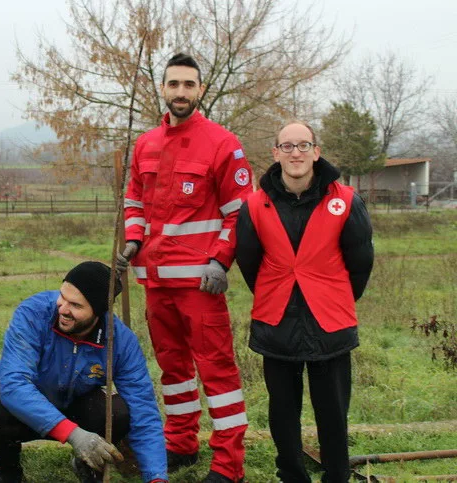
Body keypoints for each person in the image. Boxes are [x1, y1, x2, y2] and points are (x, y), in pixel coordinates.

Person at [116, 52, 251, 483]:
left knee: (218, 372)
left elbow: (240, 213)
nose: (180, 92)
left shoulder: (223, 143)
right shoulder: (145, 144)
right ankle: (181, 443)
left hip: (200, 285)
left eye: (189, 85)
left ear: (201, 90)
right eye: (173, 84)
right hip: (155, 282)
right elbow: (134, 200)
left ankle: (229, 465)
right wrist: (134, 239)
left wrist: (220, 260)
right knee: (173, 372)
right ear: (163, 88)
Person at [235, 121, 374, 482]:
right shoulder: (253, 205)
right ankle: (292, 475)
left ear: (316, 151)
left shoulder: (346, 200)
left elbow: (360, 263)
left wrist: (333, 296)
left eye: (303, 145)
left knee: (332, 412)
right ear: (275, 154)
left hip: (330, 323)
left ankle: (337, 476)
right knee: (283, 412)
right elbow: (250, 263)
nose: (295, 153)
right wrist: (277, 291)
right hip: (276, 321)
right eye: (287, 146)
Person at [0, 261, 169, 483]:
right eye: (62, 296)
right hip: (26, 407)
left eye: (76, 305)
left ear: (98, 311)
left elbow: (144, 410)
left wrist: (156, 478)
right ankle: (9, 472)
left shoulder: (120, 341)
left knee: (119, 413)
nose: (62, 308)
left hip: (76, 403)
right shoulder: (34, 313)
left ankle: (88, 466)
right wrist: (73, 435)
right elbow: (14, 385)